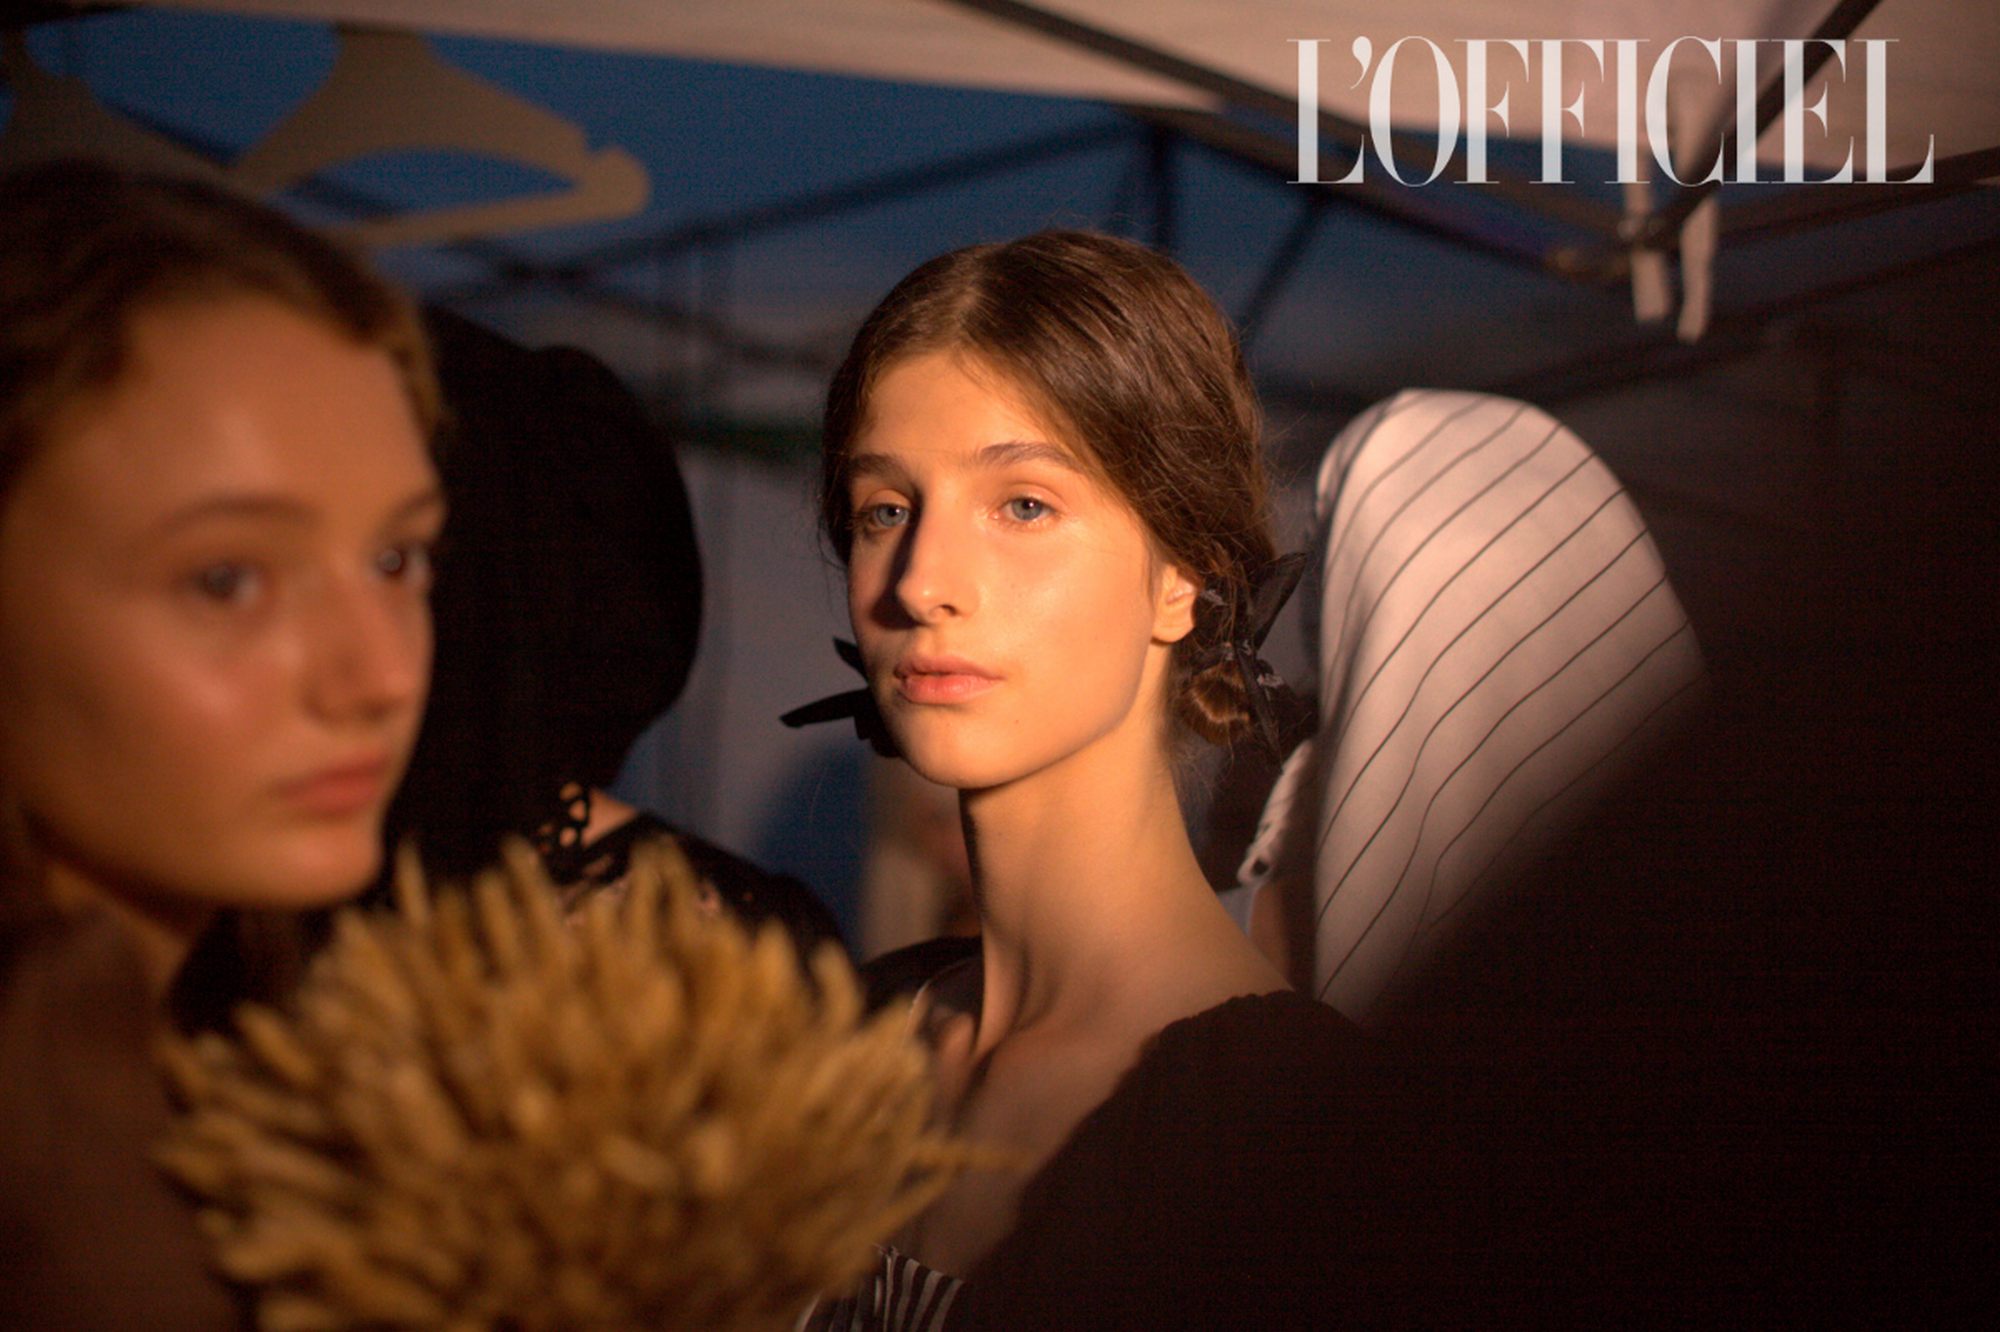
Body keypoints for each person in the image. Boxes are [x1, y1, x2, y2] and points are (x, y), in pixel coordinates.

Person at [796, 232, 1466, 1329]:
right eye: (885, 509)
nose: (920, 582)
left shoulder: (1296, 1133)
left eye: (1023, 505)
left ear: (1183, 580)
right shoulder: (850, 1037)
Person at [0, 160, 443, 1330]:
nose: (380, 675)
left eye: (397, 560)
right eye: (227, 580)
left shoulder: (202, 1070)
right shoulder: (60, 1213)